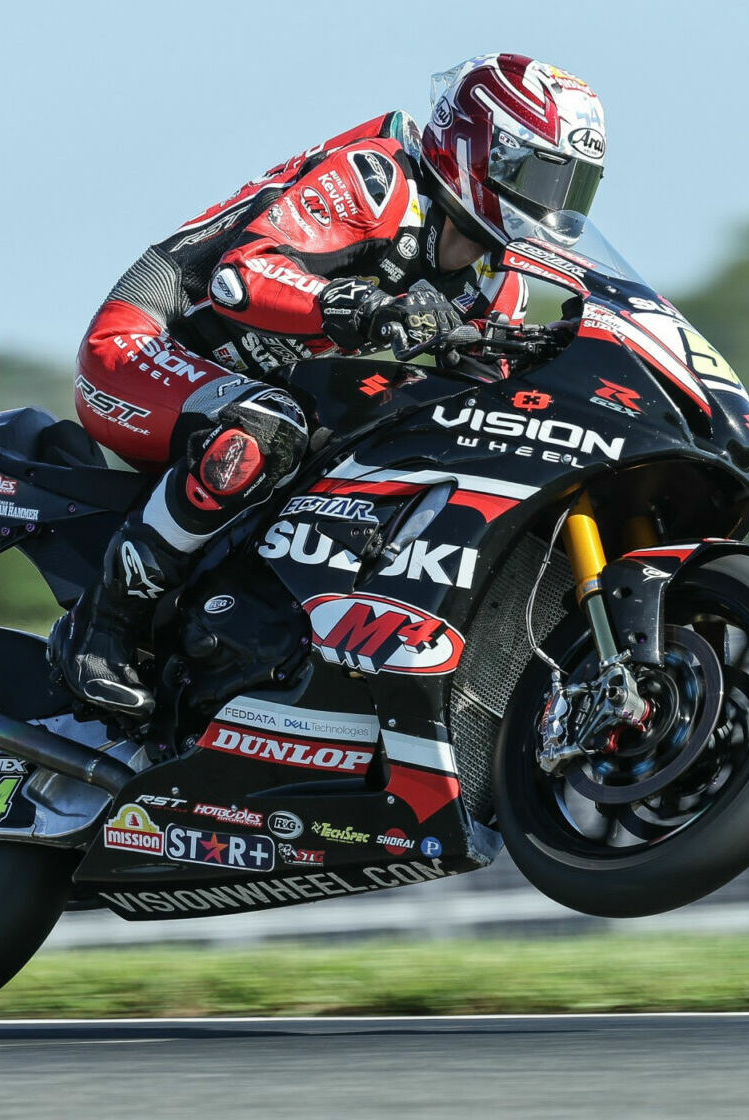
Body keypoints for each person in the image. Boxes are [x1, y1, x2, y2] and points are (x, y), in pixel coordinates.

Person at [50, 53, 608, 715]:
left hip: (265, 381)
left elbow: (475, 391)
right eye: (542, 178)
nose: (552, 207)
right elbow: (240, 278)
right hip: (150, 342)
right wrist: (363, 307)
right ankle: (101, 628)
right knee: (267, 427)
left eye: (572, 191)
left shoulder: (498, 278)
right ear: (479, 150)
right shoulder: (378, 179)